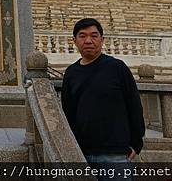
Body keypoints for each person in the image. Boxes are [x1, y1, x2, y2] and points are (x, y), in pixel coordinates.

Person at [61, 18, 145, 177]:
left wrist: (136, 144)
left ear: (102, 39)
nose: (88, 41)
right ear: (74, 40)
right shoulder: (71, 73)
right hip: (82, 154)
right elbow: (68, 112)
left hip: (116, 154)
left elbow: (134, 106)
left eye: (94, 36)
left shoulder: (117, 67)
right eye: (82, 36)